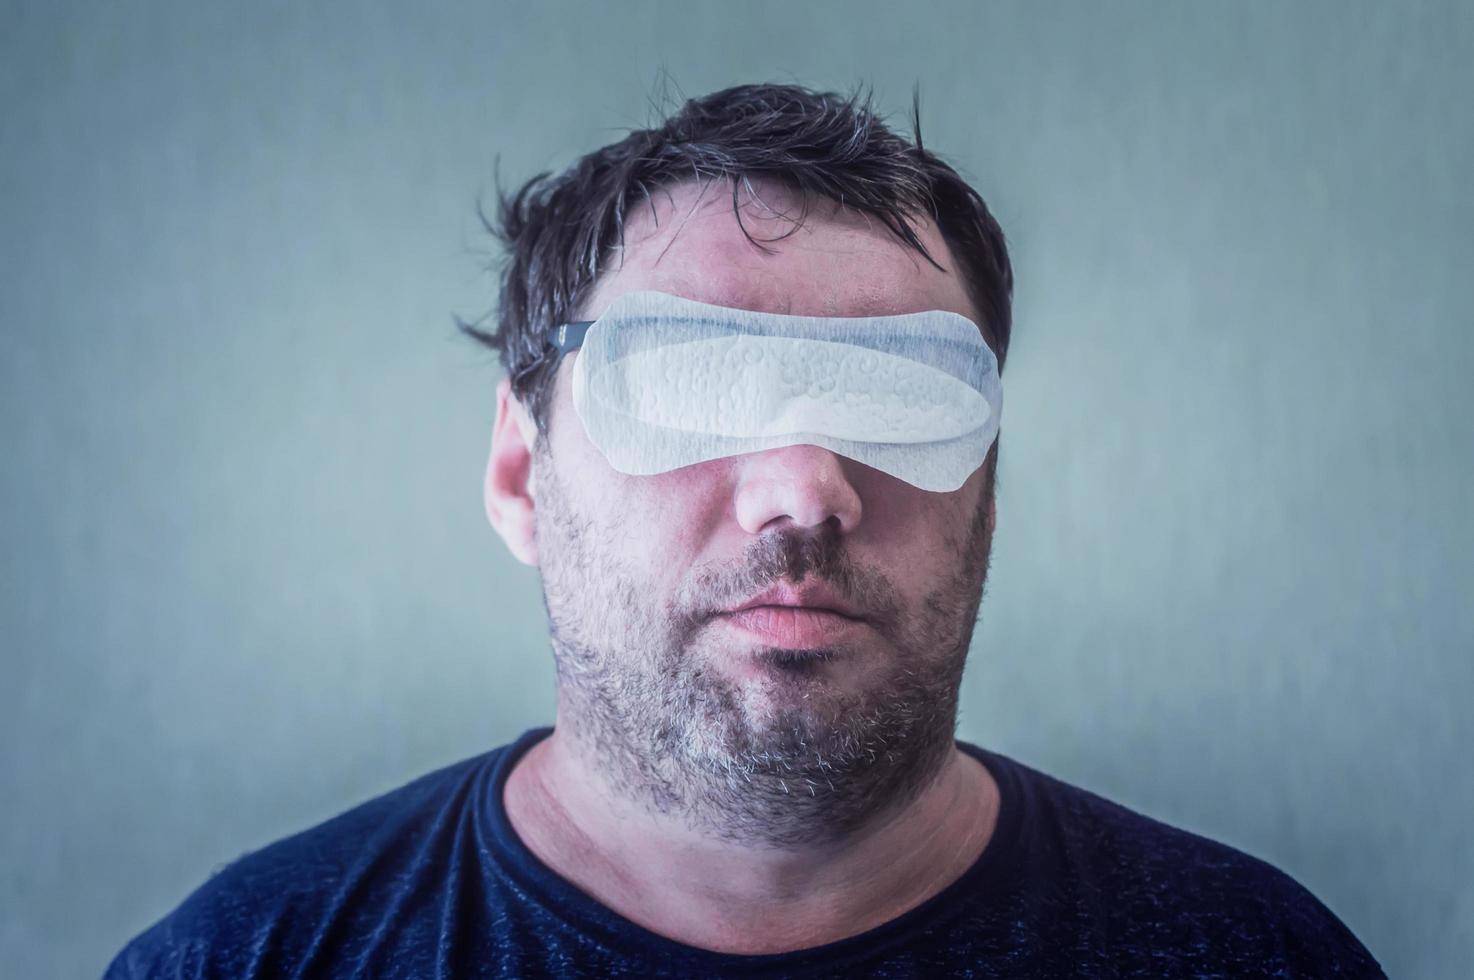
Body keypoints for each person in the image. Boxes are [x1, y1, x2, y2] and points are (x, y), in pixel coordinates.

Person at [107, 83, 1382, 978]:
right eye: (693, 384)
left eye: (900, 399)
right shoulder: (242, 958)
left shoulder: (1256, 955)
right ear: (518, 468)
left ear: (989, 479)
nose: (804, 487)